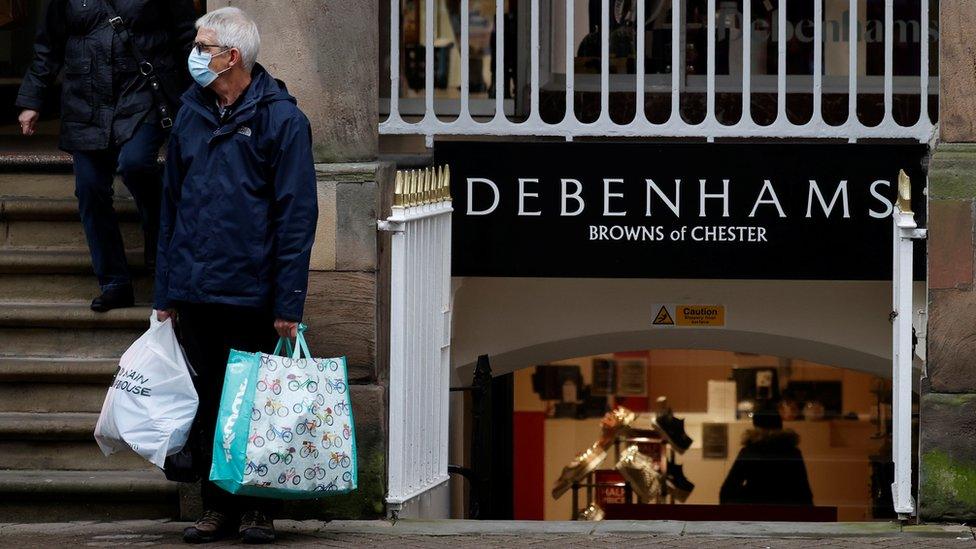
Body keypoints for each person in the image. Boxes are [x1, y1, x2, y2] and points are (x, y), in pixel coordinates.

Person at [153, 6, 317, 545]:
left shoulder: (283, 120)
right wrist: (166, 291)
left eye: (204, 47)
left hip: (251, 290)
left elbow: (296, 216)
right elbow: (170, 207)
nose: (195, 55)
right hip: (197, 288)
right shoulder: (191, 114)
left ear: (232, 56)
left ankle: (258, 510)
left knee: (254, 404)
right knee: (209, 401)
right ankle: (216, 507)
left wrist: (288, 303)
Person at [16, 0, 197, 312]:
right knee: (89, 188)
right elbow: (49, 44)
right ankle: (114, 281)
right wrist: (33, 99)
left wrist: (201, 97)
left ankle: (161, 256)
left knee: (136, 164)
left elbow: (186, 37)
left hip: (142, 92)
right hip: (86, 100)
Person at [719, 406, 814, 507]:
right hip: (785, 508)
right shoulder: (792, 452)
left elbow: (728, 489)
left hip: (754, 508)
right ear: (780, 425)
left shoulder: (750, 451)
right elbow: (804, 490)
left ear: (756, 426)